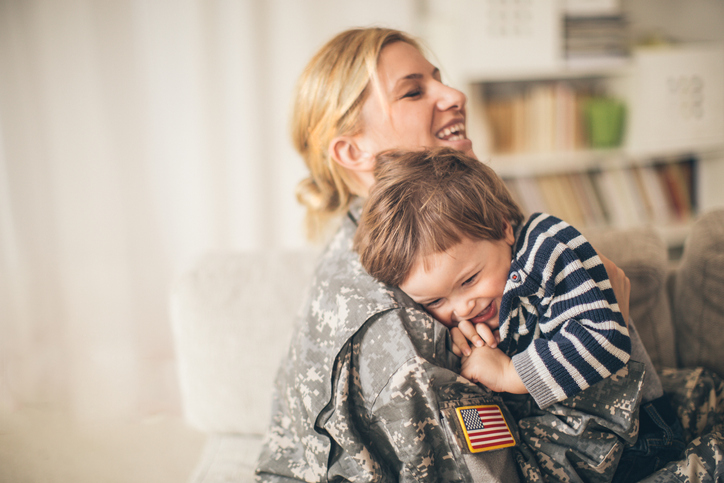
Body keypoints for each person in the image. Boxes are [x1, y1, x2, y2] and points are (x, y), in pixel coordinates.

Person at [255, 26, 724, 482]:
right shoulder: (389, 320)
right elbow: (502, 471)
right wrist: (609, 339)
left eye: (437, 76)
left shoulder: (430, 224)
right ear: (352, 150)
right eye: (413, 92)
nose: (454, 93)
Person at [354, 147, 633, 409]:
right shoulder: (475, 311)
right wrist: (466, 346)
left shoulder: (546, 250)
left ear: (503, 228)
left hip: (637, 429)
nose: (462, 308)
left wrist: (508, 373)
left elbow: (605, 340)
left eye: (469, 280)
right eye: (436, 300)